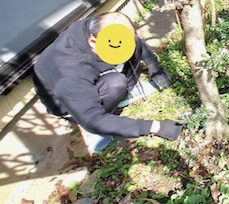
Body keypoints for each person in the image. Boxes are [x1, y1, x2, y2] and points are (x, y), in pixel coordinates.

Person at [33, 12, 184, 151]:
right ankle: (94, 129)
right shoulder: (69, 71)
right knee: (116, 84)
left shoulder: (98, 27)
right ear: (93, 41)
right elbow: (92, 118)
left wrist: (154, 65)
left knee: (122, 67)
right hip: (70, 105)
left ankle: (124, 93)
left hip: (90, 75)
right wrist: (154, 127)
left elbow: (134, 40)